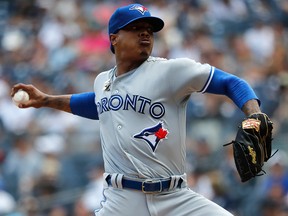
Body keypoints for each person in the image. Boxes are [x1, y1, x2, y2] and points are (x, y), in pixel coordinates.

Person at [11, 3, 265, 216]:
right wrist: (46, 100)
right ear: (114, 38)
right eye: (135, 29)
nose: (145, 34)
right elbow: (98, 104)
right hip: (121, 201)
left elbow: (232, 82)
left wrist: (254, 115)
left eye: (149, 31)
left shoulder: (171, 71)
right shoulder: (103, 81)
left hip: (175, 199)